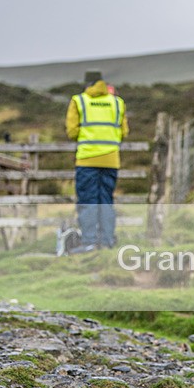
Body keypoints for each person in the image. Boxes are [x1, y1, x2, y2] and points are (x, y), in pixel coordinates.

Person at [65, 70, 129, 253]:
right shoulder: (117, 102)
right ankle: (107, 242)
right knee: (106, 200)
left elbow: (72, 132)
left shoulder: (79, 101)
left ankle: (89, 243)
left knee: (88, 200)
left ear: (87, 84)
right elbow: (124, 131)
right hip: (111, 159)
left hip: (87, 158)